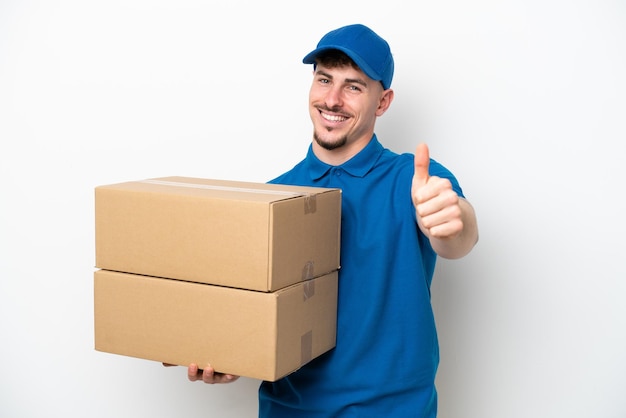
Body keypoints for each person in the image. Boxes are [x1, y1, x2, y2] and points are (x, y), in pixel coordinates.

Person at [184, 23, 479, 417]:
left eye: (354, 86)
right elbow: (251, 315)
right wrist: (228, 358)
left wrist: (452, 218)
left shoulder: (415, 181)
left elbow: (457, 240)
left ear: (383, 101)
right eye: (324, 79)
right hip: (289, 409)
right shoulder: (272, 196)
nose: (333, 99)